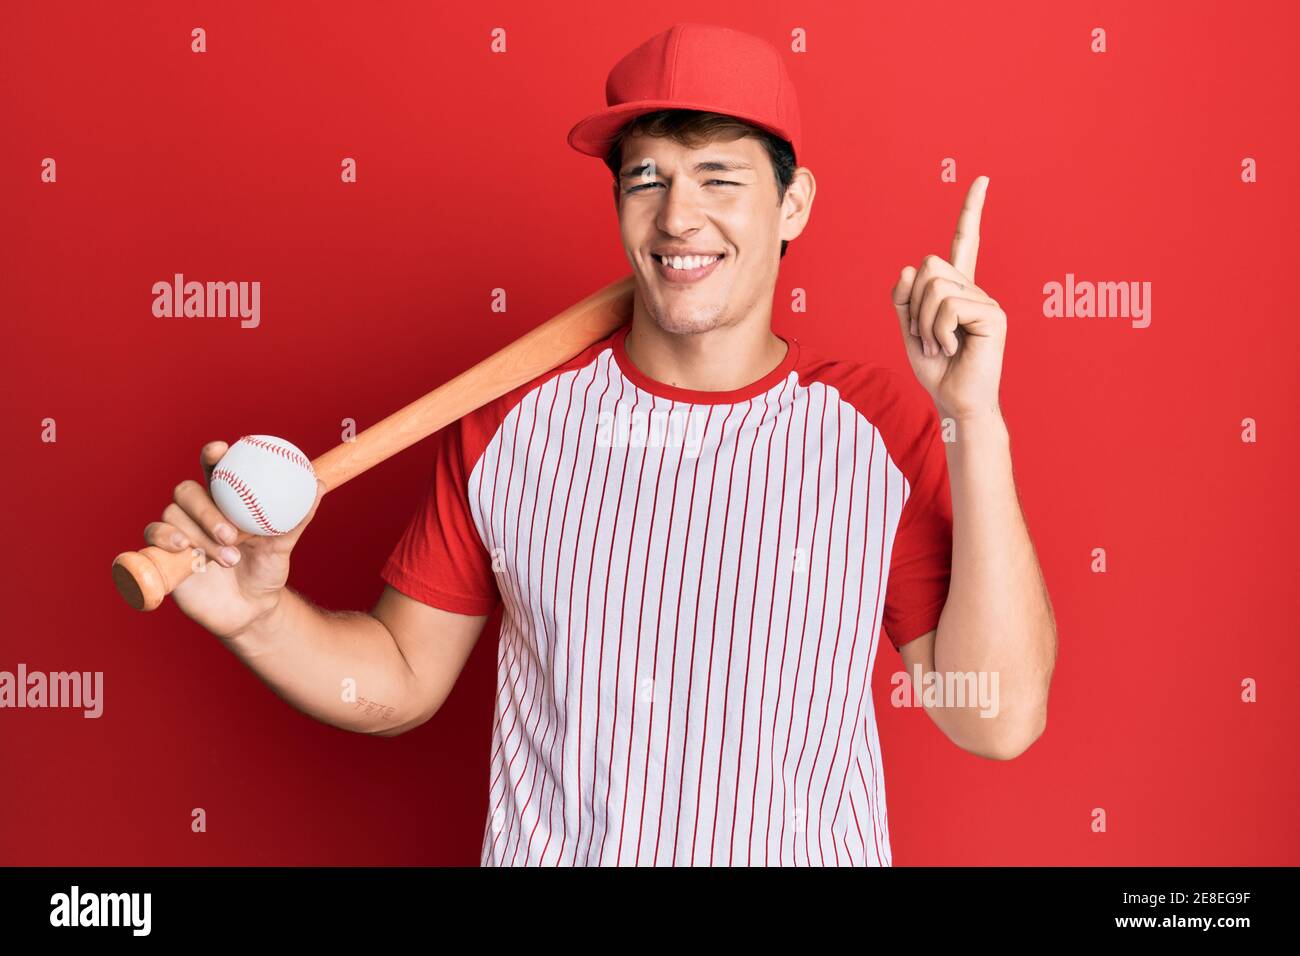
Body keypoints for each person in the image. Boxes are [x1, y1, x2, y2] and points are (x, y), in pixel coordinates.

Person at [143, 23, 1056, 866]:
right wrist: (258, 618)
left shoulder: (876, 427)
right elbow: (404, 678)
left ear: (794, 203)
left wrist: (974, 418)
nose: (677, 218)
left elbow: (998, 718)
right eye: (646, 177)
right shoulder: (512, 422)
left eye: (719, 177)